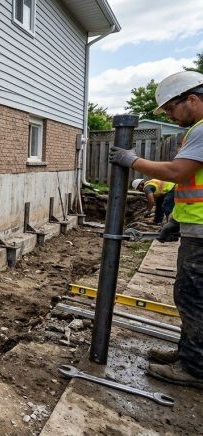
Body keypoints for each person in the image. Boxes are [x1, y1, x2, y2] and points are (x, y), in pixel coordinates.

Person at [109, 70, 203, 388]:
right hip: (195, 227)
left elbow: (179, 171)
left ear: (191, 99)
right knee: (189, 295)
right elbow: (192, 181)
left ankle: (195, 368)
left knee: (194, 297)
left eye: (170, 109)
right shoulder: (197, 131)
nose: (169, 116)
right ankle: (188, 354)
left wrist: (133, 161)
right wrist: (177, 221)